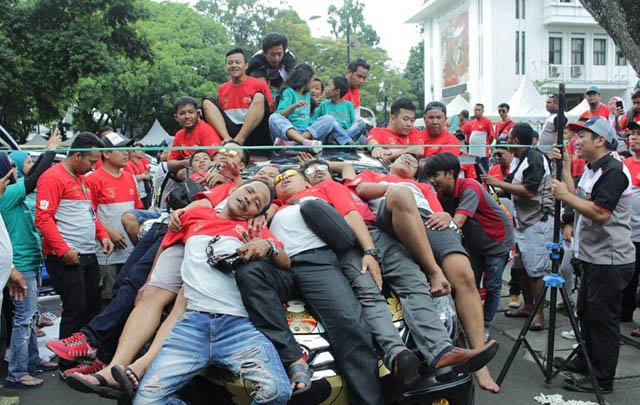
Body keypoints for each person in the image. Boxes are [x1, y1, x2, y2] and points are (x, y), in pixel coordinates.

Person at [300, 158, 499, 386]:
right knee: (369, 291)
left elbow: (345, 167)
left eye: (321, 169)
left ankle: (442, 351)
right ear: (303, 179)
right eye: (311, 171)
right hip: (348, 243)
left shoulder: (348, 184)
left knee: (414, 282)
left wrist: (320, 159)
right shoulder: (303, 196)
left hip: (378, 233)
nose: (318, 172)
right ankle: (396, 354)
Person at [122, 180, 292, 405]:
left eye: (256, 203)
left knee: (277, 392)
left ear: (255, 214)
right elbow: (166, 244)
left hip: (238, 327)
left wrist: (268, 246)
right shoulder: (194, 216)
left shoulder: (254, 230)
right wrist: (150, 280)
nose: (249, 199)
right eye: (249, 191)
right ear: (235, 189)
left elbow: (285, 261)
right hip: (191, 327)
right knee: (145, 401)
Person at [235, 168, 385, 404]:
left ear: (305, 181)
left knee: (350, 324)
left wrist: (369, 251)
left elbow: (349, 218)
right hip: (279, 265)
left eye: (289, 175)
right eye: (278, 179)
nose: (283, 179)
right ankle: (293, 359)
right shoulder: (270, 209)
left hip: (315, 262)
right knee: (249, 272)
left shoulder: (318, 194)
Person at [552, 116, 635, 394]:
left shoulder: (613, 170)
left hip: (610, 260)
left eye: (583, 136)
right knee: (586, 313)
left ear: (600, 140)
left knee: (603, 320)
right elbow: (578, 195)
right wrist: (564, 169)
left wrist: (564, 196)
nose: (577, 141)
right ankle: (585, 362)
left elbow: (599, 212)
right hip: (593, 257)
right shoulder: (593, 168)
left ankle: (602, 379)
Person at [35, 133, 115, 372]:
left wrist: (102, 235)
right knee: (75, 308)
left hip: (88, 254)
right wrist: (63, 251)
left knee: (91, 305)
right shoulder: (52, 177)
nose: (94, 166)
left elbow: (90, 214)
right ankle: (66, 363)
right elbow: (43, 218)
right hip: (67, 257)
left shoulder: (82, 179)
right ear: (77, 155)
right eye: (91, 161)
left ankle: (84, 354)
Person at [424, 153, 515, 342]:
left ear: (450, 173)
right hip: (475, 243)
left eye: (435, 175)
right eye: (429, 176)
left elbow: (457, 221)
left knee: (492, 286)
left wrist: (449, 219)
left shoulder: (470, 187)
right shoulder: (443, 195)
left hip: (496, 242)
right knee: (468, 283)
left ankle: (484, 327)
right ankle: (469, 322)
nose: (432, 180)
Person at [0, 131, 60, 388]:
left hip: (30, 261)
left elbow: (33, 174)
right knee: (24, 319)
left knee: (30, 317)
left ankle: (33, 361)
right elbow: (35, 178)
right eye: (12, 165)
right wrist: (50, 150)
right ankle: (17, 371)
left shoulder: (12, 191)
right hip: (20, 265)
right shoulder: (7, 193)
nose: (15, 168)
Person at [482, 123, 553, 332]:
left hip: (536, 221)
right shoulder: (518, 160)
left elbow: (529, 190)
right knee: (520, 268)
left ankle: (539, 315)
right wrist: (491, 189)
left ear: (514, 140)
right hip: (522, 222)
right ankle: (528, 305)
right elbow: (511, 187)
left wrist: (499, 184)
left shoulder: (535, 158)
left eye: (509, 139)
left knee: (536, 271)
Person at [87, 133, 142, 302]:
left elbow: (138, 209)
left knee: (128, 295)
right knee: (107, 296)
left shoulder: (129, 177)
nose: (127, 153)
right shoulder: (93, 179)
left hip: (130, 250)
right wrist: (108, 232)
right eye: (121, 149)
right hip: (106, 252)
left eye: (128, 149)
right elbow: (89, 213)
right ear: (107, 154)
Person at [202, 48, 273, 147]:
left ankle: (239, 140)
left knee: (259, 97)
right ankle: (228, 140)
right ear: (226, 66)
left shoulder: (259, 85)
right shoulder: (222, 88)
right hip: (231, 131)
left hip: (254, 130)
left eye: (237, 62)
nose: (234, 65)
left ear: (246, 65)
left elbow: (269, 111)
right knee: (207, 102)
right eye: (230, 63)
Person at [269, 64, 352, 148]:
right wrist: (293, 106)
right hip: (290, 132)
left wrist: (320, 124)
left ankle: (294, 144)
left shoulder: (307, 95)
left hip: (306, 132)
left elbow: (309, 119)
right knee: (274, 117)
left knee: (329, 119)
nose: (313, 84)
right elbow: (281, 115)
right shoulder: (289, 92)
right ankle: (303, 142)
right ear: (305, 80)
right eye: (312, 80)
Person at [168, 97, 222, 173]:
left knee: (183, 173)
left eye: (191, 112)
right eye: (182, 113)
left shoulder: (205, 130)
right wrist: (188, 162)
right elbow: (170, 164)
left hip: (209, 171)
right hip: (190, 171)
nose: (187, 116)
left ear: (198, 113)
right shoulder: (179, 135)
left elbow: (217, 158)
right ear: (176, 117)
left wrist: (195, 163)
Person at [622, 123, 640, 336]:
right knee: (629, 275)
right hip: (628, 231)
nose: (633, 138)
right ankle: (624, 313)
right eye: (632, 134)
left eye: (638, 135)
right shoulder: (625, 162)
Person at [312, 76, 366, 141]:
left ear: (337, 91)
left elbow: (352, 124)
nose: (326, 89)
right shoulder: (323, 105)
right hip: (329, 135)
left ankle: (339, 141)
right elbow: (315, 123)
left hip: (344, 133)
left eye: (329, 86)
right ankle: (343, 141)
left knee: (361, 123)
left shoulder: (349, 105)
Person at [247, 33, 296, 97]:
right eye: (272, 54)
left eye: (279, 54)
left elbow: (294, 78)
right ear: (265, 53)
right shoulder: (256, 60)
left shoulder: (289, 58)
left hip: (280, 78)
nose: (276, 58)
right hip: (261, 73)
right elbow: (245, 77)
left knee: (287, 88)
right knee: (261, 86)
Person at [461, 103, 495, 171]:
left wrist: (486, 145)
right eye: (475, 110)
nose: (477, 112)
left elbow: (492, 136)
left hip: (482, 154)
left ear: (482, 111)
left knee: (483, 173)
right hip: (472, 153)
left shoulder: (487, 121)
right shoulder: (473, 122)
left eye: (479, 110)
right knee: (474, 173)